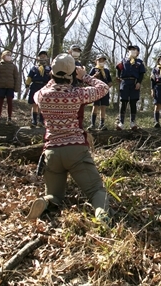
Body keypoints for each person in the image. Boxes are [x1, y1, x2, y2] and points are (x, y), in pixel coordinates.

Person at [26, 53, 111, 222]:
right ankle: (102, 215)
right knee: (96, 190)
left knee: (54, 194)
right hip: (76, 150)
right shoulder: (78, 94)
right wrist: (84, 75)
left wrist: (58, 74)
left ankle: (46, 201)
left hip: (51, 152)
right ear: (73, 74)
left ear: (52, 73)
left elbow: (46, 87)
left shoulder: (42, 95)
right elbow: (103, 88)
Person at [115, 45, 146, 130]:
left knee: (133, 102)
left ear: (138, 52)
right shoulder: (124, 60)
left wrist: (139, 82)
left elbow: (141, 73)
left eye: (134, 49)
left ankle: (132, 122)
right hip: (124, 82)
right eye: (130, 50)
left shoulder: (139, 62)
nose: (132, 51)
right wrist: (118, 76)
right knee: (123, 102)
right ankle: (121, 122)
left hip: (134, 82)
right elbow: (118, 68)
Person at [0, 50, 21, 125]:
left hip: (10, 87)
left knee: (10, 102)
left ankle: (9, 119)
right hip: (0, 86)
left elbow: (16, 77)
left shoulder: (14, 66)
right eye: (7, 55)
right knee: (0, 101)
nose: (9, 56)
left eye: (10, 55)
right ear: (3, 56)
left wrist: (16, 87)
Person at [24, 51, 51, 127]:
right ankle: (34, 120)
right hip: (35, 85)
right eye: (41, 56)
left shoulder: (49, 68)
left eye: (44, 56)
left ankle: (41, 121)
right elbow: (29, 77)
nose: (42, 57)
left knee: (42, 104)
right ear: (38, 58)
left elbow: (51, 79)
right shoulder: (34, 68)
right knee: (34, 104)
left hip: (45, 87)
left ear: (47, 58)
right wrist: (27, 86)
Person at [88, 55, 112, 130]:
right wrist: (95, 76)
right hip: (96, 91)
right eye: (100, 60)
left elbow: (110, 81)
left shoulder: (106, 71)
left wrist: (108, 86)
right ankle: (92, 124)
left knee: (103, 107)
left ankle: (102, 124)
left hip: (105, 91)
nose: (101, 62)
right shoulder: (94, 69)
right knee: (95, 106)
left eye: (103, 61)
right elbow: (88, 79)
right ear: (96, 61)